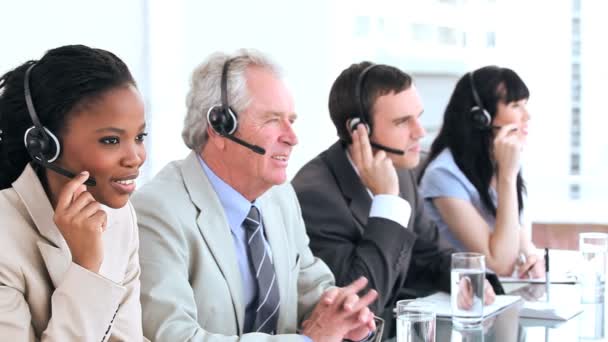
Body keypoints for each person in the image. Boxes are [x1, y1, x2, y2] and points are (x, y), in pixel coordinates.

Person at [132, 50, 378, 342]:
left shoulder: (281, 197)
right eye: (273, 120)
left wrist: (344, 314)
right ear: (221, 126)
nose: (292, 137)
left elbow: (312, 288)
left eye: (291, 120)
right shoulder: (158, 210)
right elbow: (174, 336)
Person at [291, 62, 496, 339]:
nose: (420, 132)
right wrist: (387, 201)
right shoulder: (315, 195)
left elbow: (430, 254)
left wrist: (469, 280)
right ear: (358, 129)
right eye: (402, 122)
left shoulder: (401, 171)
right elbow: (358, 307)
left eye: (418, 117)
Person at [0, 45, 147, 340]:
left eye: (140, 137)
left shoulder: (118, 218)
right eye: (110, 140)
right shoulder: (5, 238)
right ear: (43, 144)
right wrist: (87, 268)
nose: (136, 157)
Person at [418, 66, 544, 278]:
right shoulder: (443, 175)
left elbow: (515, 232)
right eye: (515, 105)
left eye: (525, 105)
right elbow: (499, 264)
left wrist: (532, 256)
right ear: (481, 117)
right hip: (461, 296)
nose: (527, 116)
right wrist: (507, 177)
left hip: (497, 294)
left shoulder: (501, 162)